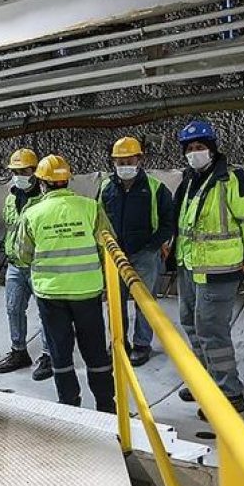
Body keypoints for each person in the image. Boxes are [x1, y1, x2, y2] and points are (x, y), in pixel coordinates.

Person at [172, 120, 244, 415]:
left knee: (213, 331)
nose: (194, 152)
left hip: (220, 271)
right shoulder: (189, 180)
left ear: (212, 148)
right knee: (191, 323)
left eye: (199, 147)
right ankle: (205, 381)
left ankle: (229, 393)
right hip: (189, 267)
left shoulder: (236, 179)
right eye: (189, 148)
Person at [16, 155, 114, 412]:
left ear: (42, 183)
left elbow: (22, 255)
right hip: (87, 291)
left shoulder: (32, 214)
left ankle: (69, 403)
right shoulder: (90, 207)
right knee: (95, 351)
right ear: (67, 180)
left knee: (60, 351)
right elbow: (109, 245)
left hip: (51, 294)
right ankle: (106, 403)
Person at [98, 136, 175, 367]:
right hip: (115, 255)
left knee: (145, 301)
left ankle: (142, 344)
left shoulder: (155, 188)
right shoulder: (105, 188)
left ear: (139, 159)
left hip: (145, 254)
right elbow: (99, 220)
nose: (124, 166)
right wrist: (105, 248)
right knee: (115, 301)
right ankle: (119, 342)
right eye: (119, 162)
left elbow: (168, 222)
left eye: (128, 160)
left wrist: (153, 247)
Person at [0, 148, 54, 380]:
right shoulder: (10, 198)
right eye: (15, 171)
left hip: (39, 266)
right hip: (15, 265)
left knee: (45, 313)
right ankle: (19, 351)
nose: (18, 175)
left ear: (35, 172)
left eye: (24, 171)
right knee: (13, 308)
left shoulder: (44, 198)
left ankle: (49, 355)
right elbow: (12, 229)